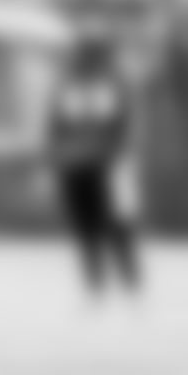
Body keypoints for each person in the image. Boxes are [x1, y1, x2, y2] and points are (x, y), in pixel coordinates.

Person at [47, 20, 144, 306]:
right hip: (76, 165)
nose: (89, 54)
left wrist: (123, 155)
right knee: (85, 227)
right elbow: (54, 125)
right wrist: (55, 156)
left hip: (109, 164)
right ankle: (94, 285)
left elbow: (127, 123)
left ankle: (130, 283)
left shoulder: (115, 81)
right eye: (85, 49)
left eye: (94, 49)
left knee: (119, 226)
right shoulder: (66, 82)